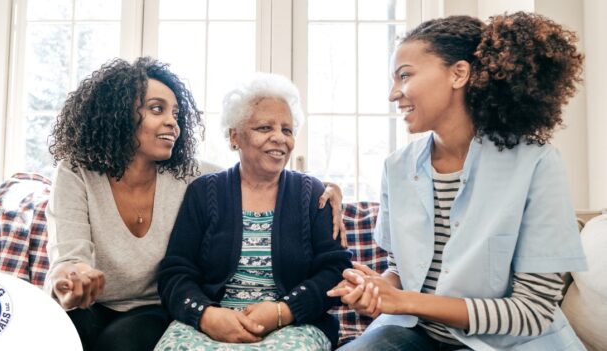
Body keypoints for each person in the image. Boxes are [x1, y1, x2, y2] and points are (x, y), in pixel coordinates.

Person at [46, 57, 345, 351]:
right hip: (93, 306)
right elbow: (69, 258)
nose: (172, 122)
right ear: (118, 114)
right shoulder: (77, 172)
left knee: (120, 343)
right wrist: (70, 279)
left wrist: (327, 189)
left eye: (175, 113)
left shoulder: (188, 175)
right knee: (58, 335)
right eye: (156, 109)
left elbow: (255, 175)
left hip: (149, 310)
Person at [328, 12, 587, 350]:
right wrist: (377, 290)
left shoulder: (537, 164)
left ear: (458, 73)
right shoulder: (397, 168)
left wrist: (402, 300)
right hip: (415, 334)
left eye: (404, 76)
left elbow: (531, 312)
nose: (394, 94)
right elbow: (402, 270)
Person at [155, 73, 353, 350]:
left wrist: (283, 310)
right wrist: (205, 315)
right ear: (235, 136)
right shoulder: (204, 191)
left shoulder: (312, 193)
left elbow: (336, 269)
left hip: (293, 324)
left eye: (287, 130)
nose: (279, 138)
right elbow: (176, 272)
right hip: (213, 321)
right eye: (264, 128)